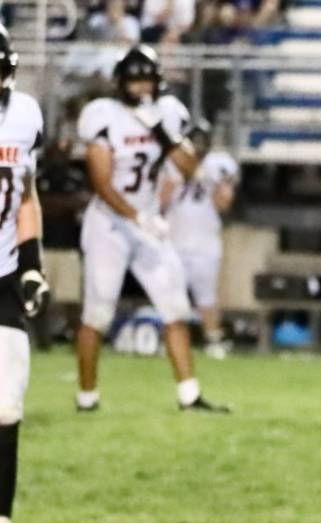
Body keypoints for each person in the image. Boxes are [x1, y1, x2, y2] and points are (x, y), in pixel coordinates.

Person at [74, 45, 226, 413]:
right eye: (134, 80)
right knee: (97, 314)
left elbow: (190, 167)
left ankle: (189, 395)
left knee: (175, 308)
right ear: (120, 83)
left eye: (146, 80)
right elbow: (102, 182)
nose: (141, 87)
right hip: (109, 224)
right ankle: (87, 397)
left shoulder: (168, 113)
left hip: (148, 224)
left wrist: (162, 133)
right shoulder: (103, 116)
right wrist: (137, 216)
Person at [0, 26, 50, 523]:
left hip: (3, 275)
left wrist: (32, 263)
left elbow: (26, 194)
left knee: (7, 407)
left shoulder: (25, 115)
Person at [160, 118, 238, 361]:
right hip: (173, 239)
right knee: (171, 296)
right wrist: (180, 178)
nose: (197, 147)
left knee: (207, 297)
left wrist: (208, 180)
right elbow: (160, 201)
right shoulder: (170, 164)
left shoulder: (219, 165)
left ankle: (213, 339)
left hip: (205, 242)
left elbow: (224, 203)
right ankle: (171, 341)